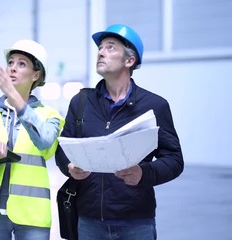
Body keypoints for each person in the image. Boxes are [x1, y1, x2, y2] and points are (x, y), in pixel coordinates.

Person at [55, 24, 184, 240]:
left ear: (129, 60)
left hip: (136, 222)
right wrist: (69, 167)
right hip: (89, 220)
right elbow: (62, 150)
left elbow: (174, 159)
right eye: (100, 48)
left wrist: (144, 173)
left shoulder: (154, 105)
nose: (101, 52)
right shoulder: (81, 103)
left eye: (110, 47)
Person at [0, 39, 65, 240]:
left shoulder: (51, 116)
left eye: (21, 64)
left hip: (32, 215)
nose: (13, 69)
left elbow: (45, 142)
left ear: (36, 75)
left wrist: (17, 102)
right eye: (11, 63)